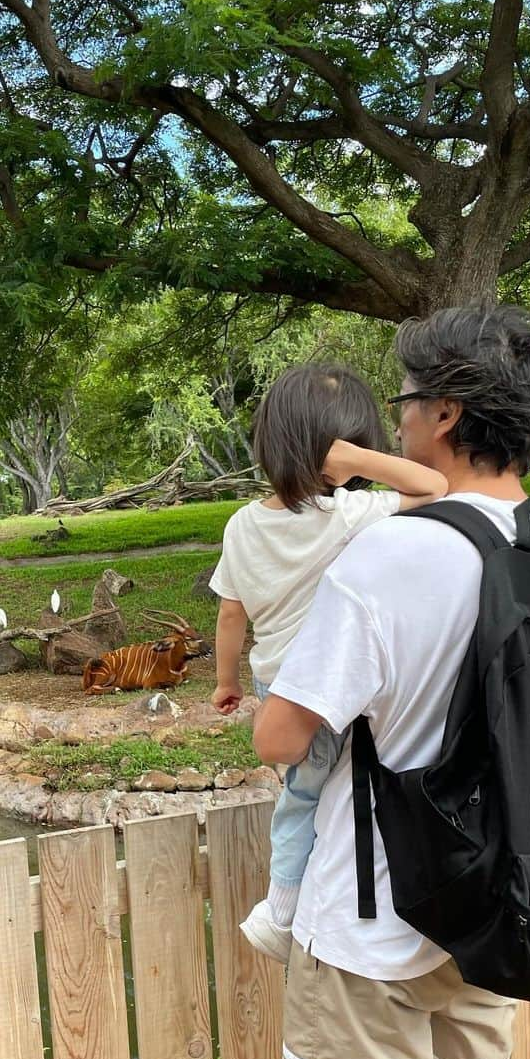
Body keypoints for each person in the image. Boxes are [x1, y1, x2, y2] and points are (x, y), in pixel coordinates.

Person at [254, 304, 530, 1059]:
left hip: (378, 920)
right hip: (495, 902)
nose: (398, 419)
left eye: (405, 401)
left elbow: (281, 734)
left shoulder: (394, 556)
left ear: (446, 412)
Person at [209, 364, 448, 963]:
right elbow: (432, 487)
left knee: (303, 788)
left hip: (273, 679)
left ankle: (292, 898)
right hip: (325, 685)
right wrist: (357, 460)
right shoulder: (348, 516)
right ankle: (282, 910)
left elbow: (230, 617)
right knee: (307, 796)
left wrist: (226, 681)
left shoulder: (241, 525)